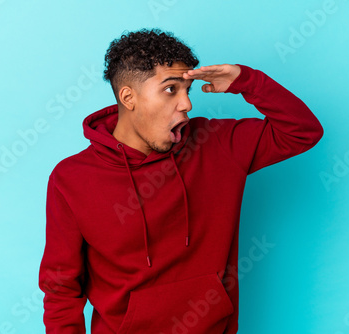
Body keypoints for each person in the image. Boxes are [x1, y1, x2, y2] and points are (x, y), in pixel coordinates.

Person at [38, 27, 323, 334]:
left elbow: (302, 131)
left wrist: (246, 81)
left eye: (187, 90)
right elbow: (61, 289)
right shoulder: (71, 179)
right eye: (171, 89)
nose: (187, 104)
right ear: (128, 97)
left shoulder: (217, 145)